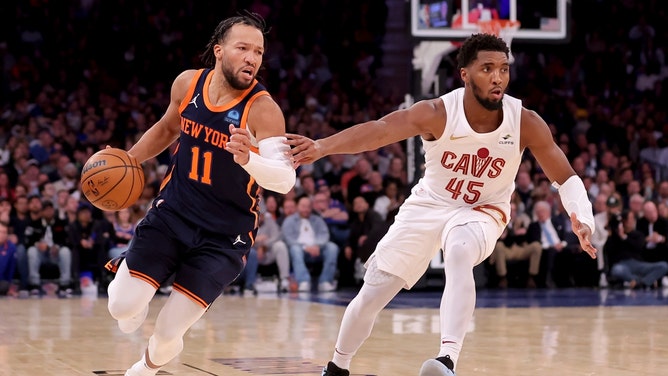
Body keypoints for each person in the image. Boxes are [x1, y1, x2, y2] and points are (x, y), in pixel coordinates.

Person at [287, 33, 597, 376]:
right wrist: (322, 147)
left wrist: (582, 218)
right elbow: (379, 130)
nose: (498, 78)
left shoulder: (524, 120)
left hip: (484, 209)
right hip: (430, 204)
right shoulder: (437, 112)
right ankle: (337, 368)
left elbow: (565, 176)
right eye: (487, 69)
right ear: (464, 74)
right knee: (374, 290)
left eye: (504, 69)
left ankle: (446, 360)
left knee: (460, 246)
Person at [103, 12, 295, 376]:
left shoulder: (264, 110)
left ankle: (145, 368)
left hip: (224, 235)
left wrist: (249, 158)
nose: (252, 58)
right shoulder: (187, 84)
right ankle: (135, 295)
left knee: (169, 333)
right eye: (243, 48)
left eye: (258, 51)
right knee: (122, 308)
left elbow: (285, 180)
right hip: (173, 213)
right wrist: (128, 161)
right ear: (219, 51)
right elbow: (166, 129)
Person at [281, 195, 340, 292]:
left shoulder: (318, 220)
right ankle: (303, 281)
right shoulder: (289, 221)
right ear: (297, 207)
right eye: (303, 206)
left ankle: (325, 281)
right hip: (300, 249)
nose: (306, 209)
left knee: (332, 247)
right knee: (295, 249)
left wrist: (317, 245)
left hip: (317, 248)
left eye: (308, 206)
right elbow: (289, 239)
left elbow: (324, 234)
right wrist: (305, 247)